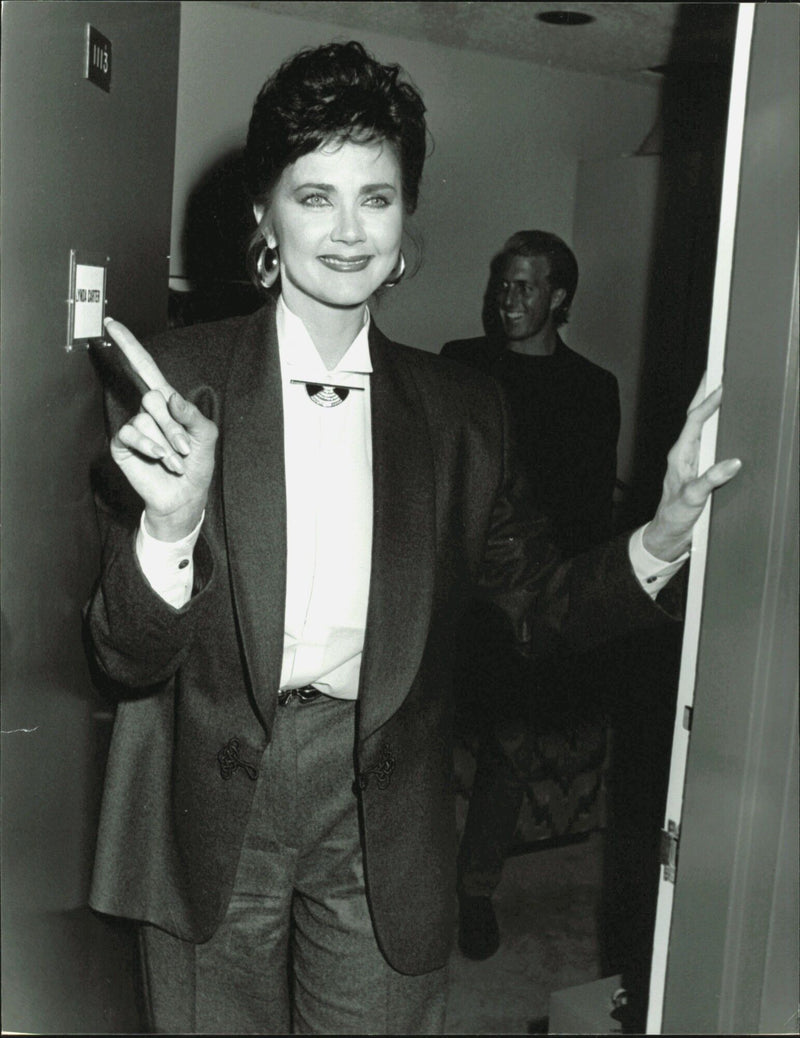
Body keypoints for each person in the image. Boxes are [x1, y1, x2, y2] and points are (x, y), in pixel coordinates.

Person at [84, 41, 741, 1036]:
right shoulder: (175, 383)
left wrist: (660, 532)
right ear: (264, 216)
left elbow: (539, 609)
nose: (348, 231)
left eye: (376, 198)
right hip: (206, 800)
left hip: (381, 801)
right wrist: (170, 530)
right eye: (315, 197)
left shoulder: (461, 412)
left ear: (404, 222)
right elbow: (123, 656)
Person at [441, 231, 621, 960]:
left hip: (529, 598)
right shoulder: (462, 364)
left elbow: (588, 512)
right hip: (456, 589)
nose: (506, 299)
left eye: (524, 286)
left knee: (512, 747)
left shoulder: (592, 387)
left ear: (559, 298)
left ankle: (475, 892)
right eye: (502, 284)